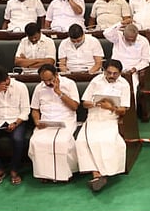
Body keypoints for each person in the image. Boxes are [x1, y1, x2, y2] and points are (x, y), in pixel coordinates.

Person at [73, 59, 130, 193]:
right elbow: (85, 102)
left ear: (120, 73)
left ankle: (103, 173)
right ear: (104, 71)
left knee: (105, 141)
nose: (111, 76)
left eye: (115, 74)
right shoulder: (96, 81)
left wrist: (111, 108)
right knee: (82, 141)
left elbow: (124, 110)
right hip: (93, 118)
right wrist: (96, 103)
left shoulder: (124, 84)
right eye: (109, 73)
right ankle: (96, 174)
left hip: (110, 119)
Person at [29, 63, 80, 183]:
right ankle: (45, 174)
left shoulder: (69, 84)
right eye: (44, 80)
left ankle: (64, 175)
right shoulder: (39, 88)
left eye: (50, 79)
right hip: (46, 121)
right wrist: (36, 121)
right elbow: (35, 109)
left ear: (56, 75)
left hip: (66, 120)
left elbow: (74, 106)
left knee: (61, 142)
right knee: (37, 141)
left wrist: (59, 92)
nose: (47, 83)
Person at [0, 67, 31, 186]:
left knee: (18, 139)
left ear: (7, 78)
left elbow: (25, 111)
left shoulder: (20, 86)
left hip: (16, 120)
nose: (1, 85)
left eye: (2, 82)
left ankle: (14, 170)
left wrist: (15, 123)